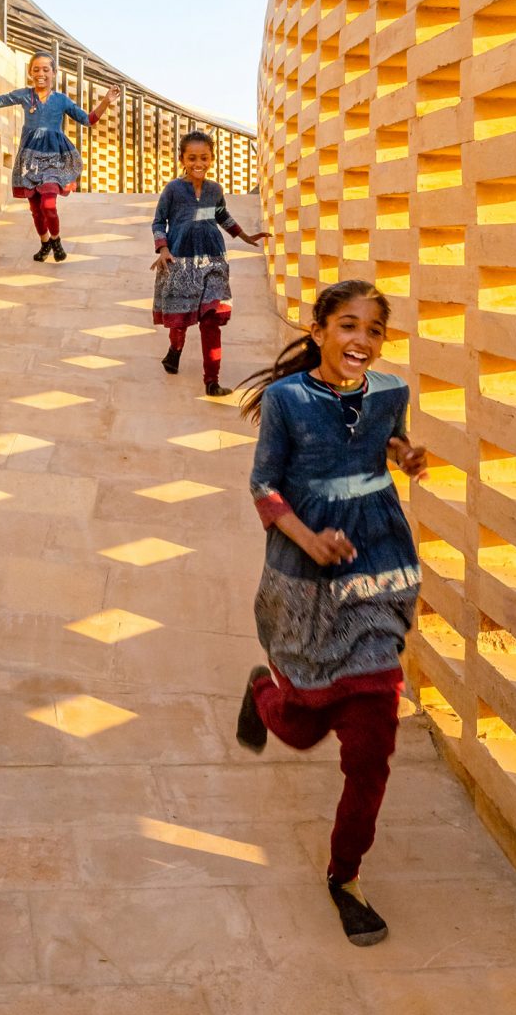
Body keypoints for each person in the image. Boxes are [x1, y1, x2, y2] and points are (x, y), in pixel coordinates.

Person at [234, 281, 426, 945]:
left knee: (372, 740)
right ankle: (264, 693)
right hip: (305, 580)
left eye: (374, 330)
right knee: (302, 726)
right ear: (317, 331)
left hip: (379, 567)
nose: (362, 340)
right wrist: (309, 539)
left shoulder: (391, 392)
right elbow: (263, 486)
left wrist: (405, 454)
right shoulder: (288, 401)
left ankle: (345, 876)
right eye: (348, 325)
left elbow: (389, 440)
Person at [150, 130, 267, 397]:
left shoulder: (215, 190)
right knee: (179, 321)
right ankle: (174, 350)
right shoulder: (173, 190)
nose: (198, 163)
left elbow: (221, 215)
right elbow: (158, 221)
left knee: (211, 319)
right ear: (182, 159)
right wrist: (163, 248)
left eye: (204, 157)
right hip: (180, 263)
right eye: (192, 158)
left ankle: (212, 381)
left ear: (212, 159)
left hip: (214, 261)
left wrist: (245, 236)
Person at [0, 51, 113, 261]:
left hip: (53, 158)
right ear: (30, 73)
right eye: (36, 69)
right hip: (29, 159)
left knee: (48, 204)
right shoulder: (24, 95)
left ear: (54, 73)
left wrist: (106, 101)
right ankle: (45, 243)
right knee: (36, 209)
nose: (41, 74)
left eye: (46, 69)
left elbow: (88, 120)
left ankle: (56, 240)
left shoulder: (61, 100)